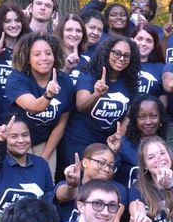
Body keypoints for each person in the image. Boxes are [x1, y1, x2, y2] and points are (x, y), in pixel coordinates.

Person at [59, 36, 139, 170]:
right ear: (107, 52)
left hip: (106, 144)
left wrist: (118, 137)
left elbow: (128, 117)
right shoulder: (89, 75)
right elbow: (81, 105)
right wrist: (96, 94)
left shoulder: (130, 82)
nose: (121, 58)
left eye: (126, 55)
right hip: (78, 140)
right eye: (117, 53)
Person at [5, 32, 74, 175]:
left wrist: (44, 157)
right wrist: (48, 95)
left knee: (44, 183)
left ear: (54, 56)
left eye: (48, 53)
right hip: (18, 139)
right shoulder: (16, 79)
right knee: (19, 182)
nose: (44, 58)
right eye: (37, 54)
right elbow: (34, 107)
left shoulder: (65, 81)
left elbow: (61, 124)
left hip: (45, 141)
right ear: (28, 59)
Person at [0, 117, 54, 214]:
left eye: (25, 135)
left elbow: (47, 199)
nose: (21, 140)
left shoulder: (41, 164)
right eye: (14, 136)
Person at [55, 143, 126, 222]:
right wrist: (72, 185)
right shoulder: (69, 184)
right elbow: (63, 195)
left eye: (111, 166)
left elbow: (113, 221)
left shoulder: (117, 189)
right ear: (85, 162)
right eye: (101, 162)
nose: (107, 169)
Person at [0, 2, 31, 126]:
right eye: (7, 21)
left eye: (17, 20)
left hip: (21, 115)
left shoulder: (29, 50)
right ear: (0, 23)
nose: (14, 25)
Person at [114, 94, 167, 187]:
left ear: (160, 118)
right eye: (142, 117)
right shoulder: (123, 145)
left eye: (153, 116)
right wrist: (113, 153)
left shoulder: (165, 146)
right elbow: (109, 174)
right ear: (135, 120)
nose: (148, 122)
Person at [132, 25, 166, 103]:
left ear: (154, 46)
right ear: (132, 40)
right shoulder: (122, 64)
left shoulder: (161, 68)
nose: (143, 44)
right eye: (139, 39)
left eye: (149, 41)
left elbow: (163, 101)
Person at [53, 13, 89, 85]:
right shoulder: (51, 58)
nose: (74, 34)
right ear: (61, 32)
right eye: (69, 30)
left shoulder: (87, 61)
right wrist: (66, 69)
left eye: (78, 31)